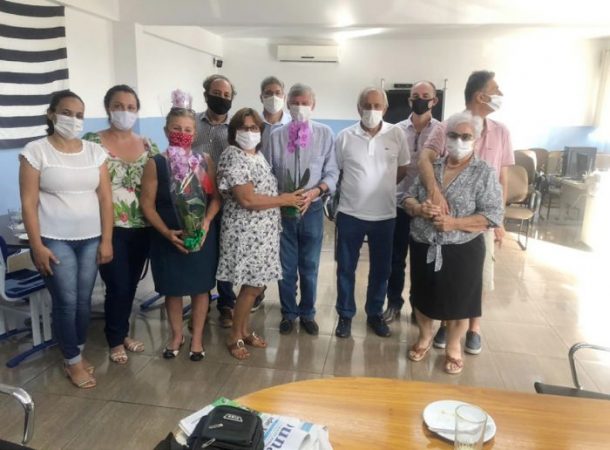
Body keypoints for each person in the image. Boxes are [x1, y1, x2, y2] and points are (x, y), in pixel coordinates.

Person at [19, 90, 113, 388]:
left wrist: (107, 240)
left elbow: (106, 199)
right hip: (54, 239)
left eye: (79, 115)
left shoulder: (94, 152)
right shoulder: (36, 151)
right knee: (66, 301)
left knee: (84, 302)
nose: (73, 120)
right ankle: (72, 361)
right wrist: (37, 245)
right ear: (51, 114)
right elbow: (28, 203)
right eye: (67, 113)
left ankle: (77, 353)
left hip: (91, 238)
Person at [418, 70, 514, 354]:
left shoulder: (501, 131)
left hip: (480, 218)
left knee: (478, 276)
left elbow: (502, 178)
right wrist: (435, 193)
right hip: (446, 216)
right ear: (481, 96)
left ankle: (474, 328)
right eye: (496, 90)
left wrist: (499, 220)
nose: (500, 95)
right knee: (450, 274)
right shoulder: (447, 126)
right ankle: (447, 323)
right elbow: (425, 159)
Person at [404, 111, 504, 374]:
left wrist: (454, 223)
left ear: (476, 139)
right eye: (453, 135)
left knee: (460, 302)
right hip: (424, 244)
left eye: (466, 137)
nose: (459, 141)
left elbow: (493, 215)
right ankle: (425, 337)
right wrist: (420, 208)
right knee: (422, 296)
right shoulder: (432, 168)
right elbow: (406, 197)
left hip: (463, 249)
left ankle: (453, 346)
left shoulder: (484, 172)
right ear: (445, 137)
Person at [140, 91, 221, 361]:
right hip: (167, 237)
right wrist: (166, 233)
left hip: (202, 236)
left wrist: (206, 224)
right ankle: (176, 335)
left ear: (195, 133)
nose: (182, 134)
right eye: (176, 129)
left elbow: (215, 199)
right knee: (172, 290)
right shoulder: (156, 164)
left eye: (187, 130)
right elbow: (147, 205)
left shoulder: (204, 161)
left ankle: (197, 338)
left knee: (200, 288)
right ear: (166, 131)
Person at [216, 108, 302, 359]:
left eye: (254, 128)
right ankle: (234, 336)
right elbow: (247, 199)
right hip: (245, 231)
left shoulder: (257, 155)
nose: (249, 132)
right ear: (234, 131)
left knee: (255, 285)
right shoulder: (234, 155)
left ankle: (244, 330)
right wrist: (284, 199)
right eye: (243, 128)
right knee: (252, 287)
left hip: (264, 233)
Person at [82, 85, 159, 364]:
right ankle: (115, 340)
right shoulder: (92, 142)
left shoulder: (148, 145)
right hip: (108, 227)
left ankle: (122, 332)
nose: (124, 112)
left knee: (131, 285)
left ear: (137, 111)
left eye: (130, 107)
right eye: (118, 106)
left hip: (142, 226)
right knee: (117, 284)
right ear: (107, 108)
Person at [334, 87, 410, 339]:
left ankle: (374, 313)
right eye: (367, 105)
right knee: (346, 268)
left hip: (384, 216)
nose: (372, 110)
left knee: (381, 270)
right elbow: (338, 171)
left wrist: (381, 187)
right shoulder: (344, 137)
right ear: (358, 108)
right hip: (350, 214)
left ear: (385, 109)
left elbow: (402, 169)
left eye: (377, 106)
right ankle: (345, 315)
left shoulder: (396, 134)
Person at [269, 83, 339, 335]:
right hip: (283, 211)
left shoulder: (324, 133)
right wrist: (281, 198)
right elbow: (268, 172)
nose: (300, 107)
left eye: (305, 103)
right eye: (295, 103)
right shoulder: (276, 135)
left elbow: (332, 172)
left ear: (313, 105)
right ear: (288, 105)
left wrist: (316, 191)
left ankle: (308, 312)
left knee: (309, 266)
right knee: (286, 267)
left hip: (313, 209)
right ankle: (288, 313)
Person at [384, 81, 440, 324]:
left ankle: (419, 307)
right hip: (397, 204)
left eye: (425, 95)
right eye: (415, 96)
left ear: (434, 100)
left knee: (421, 261)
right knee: (395, 259)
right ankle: (393, 303)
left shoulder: (441, 131)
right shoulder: (395, 130)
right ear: (409, 100)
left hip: (425, 208)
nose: (420, 99)